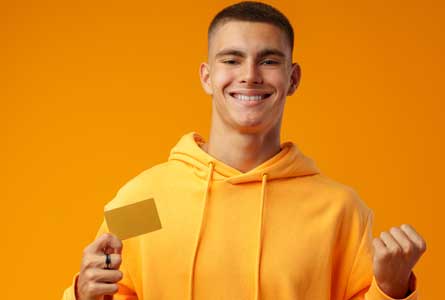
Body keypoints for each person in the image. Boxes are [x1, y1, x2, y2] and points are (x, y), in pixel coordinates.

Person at [62, 1, 426, 300]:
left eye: (268, 60)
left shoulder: (339, 212)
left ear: (293, 78)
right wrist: (83, 295)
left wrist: (391, 291)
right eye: (232, 59)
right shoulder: (143, 202)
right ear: (207, 76)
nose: (250, 75)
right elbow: (108, 290)